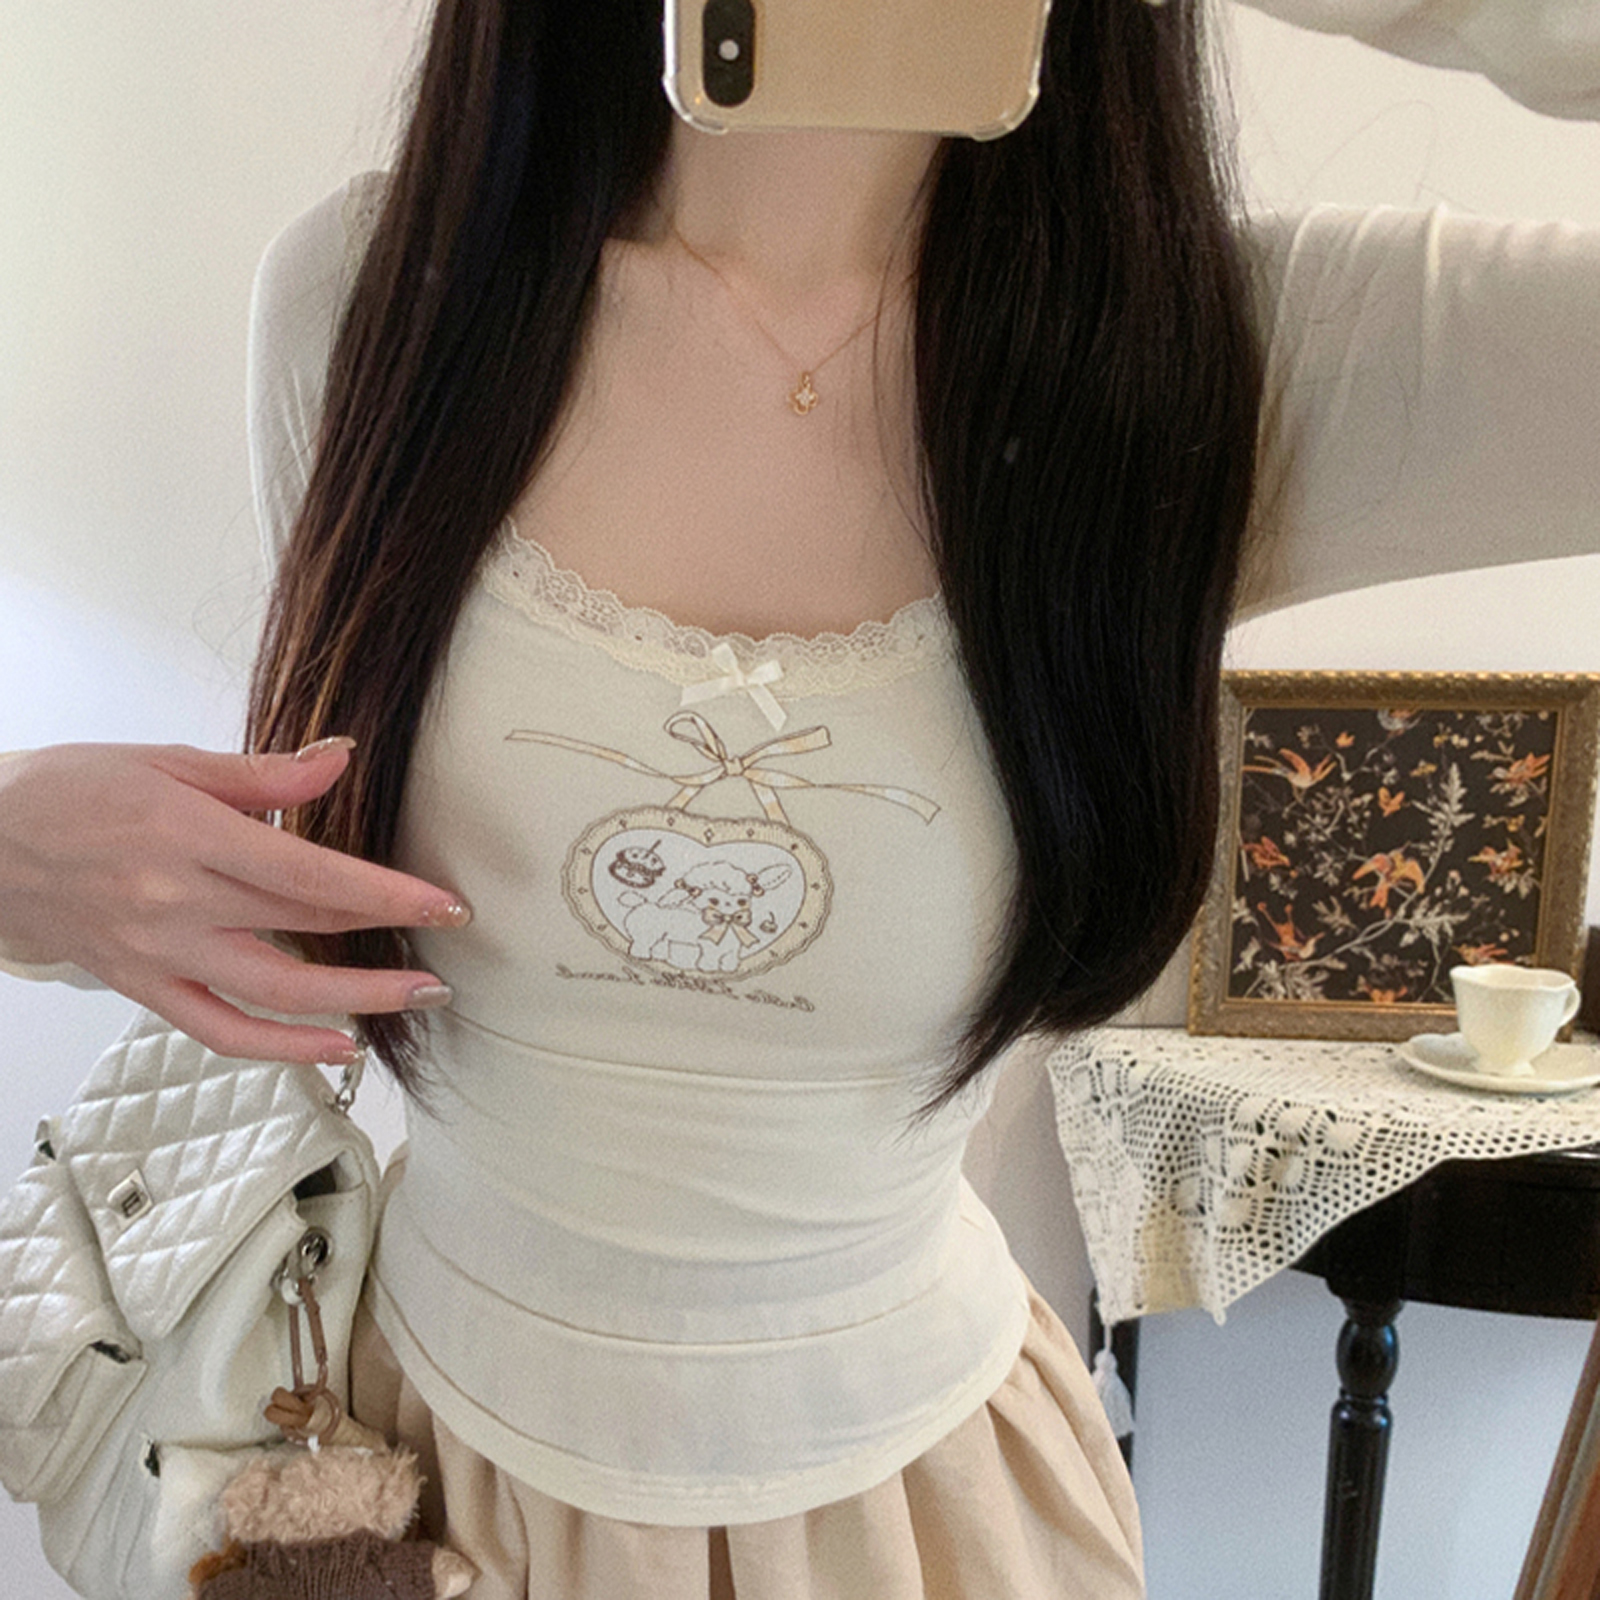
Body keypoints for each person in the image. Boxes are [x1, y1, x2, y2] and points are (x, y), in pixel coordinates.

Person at [3, 1, 1598, 1595]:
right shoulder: (377, 297)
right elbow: (301, 859)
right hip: (406, 1483)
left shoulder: (1223, 353)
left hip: (927, 1522)